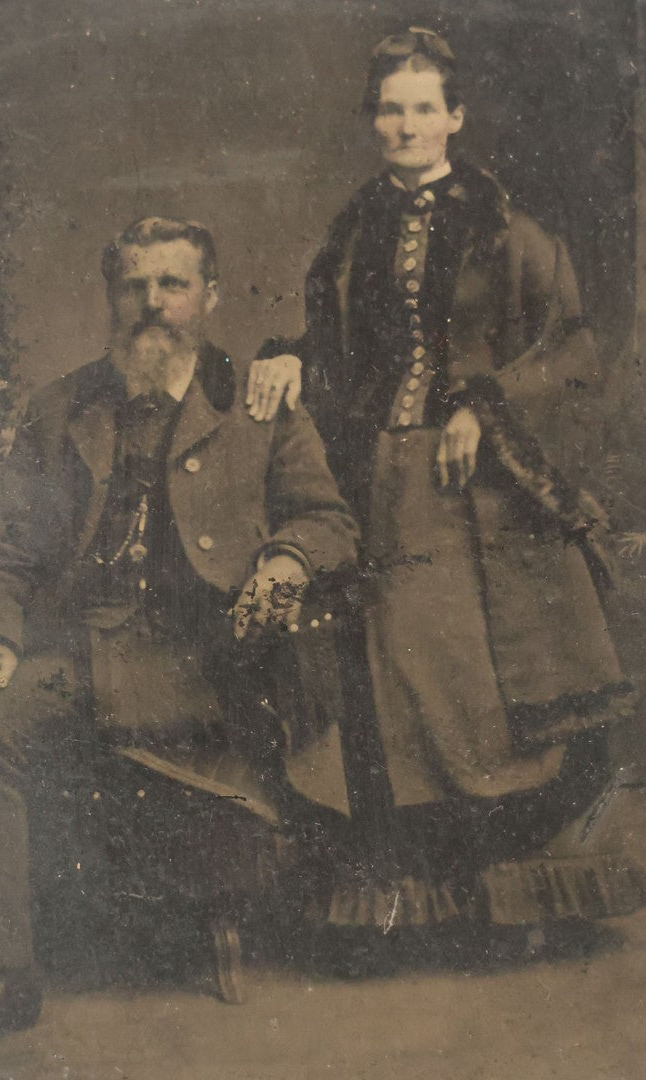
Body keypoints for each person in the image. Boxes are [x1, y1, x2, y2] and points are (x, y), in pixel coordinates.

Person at [247, 28, 644, 936]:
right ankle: (419, 897)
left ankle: (498, 895)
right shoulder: (351, 235)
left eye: (425, 106)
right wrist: (286, 361)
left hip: (480, 490)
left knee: (469, 677)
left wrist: (486, 408)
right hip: (380, 475)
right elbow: (339, 350)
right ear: (371, 121)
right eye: (390, 107)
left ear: (455, 118)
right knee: (397, 679)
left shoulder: (510, 229)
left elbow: (574, 353)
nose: (406, 124)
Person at [0, 216, 357, 1065]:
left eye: (172, 285)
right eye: (134, 285)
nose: (152, 305)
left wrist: (287, 556)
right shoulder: (60, 407)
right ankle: (3, 972)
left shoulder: (258, 401)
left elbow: (328, 518)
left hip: (201, 659)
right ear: (110, 296)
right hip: (79, 650)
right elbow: (6, 549)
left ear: (207, 297)